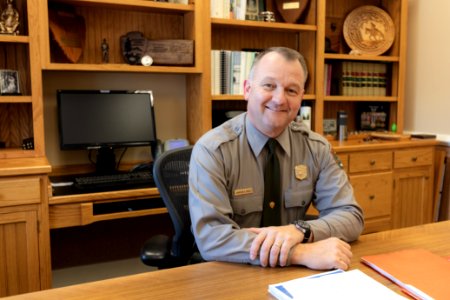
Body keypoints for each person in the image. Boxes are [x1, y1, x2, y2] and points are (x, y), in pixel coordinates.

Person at [189, 47, 364, 270]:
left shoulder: (316, 148)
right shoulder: (213, 150)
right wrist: (299, 252)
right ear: (247, 89)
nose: (280, 99)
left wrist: (301, 230)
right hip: (232, 271)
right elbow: (211, 238)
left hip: (293, 277)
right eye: (269, 86)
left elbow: (351, 216)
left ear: (301, 97)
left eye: (291, 90)